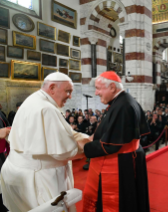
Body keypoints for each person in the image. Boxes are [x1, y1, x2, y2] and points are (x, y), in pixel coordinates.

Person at [0, 73, 89, 212]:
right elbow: (65, 152)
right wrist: (89, 145)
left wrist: (84, 137)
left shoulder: (35, 100)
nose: (70, 96)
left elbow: (63, 132)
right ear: (52, 88)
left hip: (19, 173)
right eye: (68, 91)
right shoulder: (46, 108)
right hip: (39, 179)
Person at [78, 71, 150, 211]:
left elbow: (111, 145)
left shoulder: (123, 106)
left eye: (98, 88)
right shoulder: (122, 101)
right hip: (127, 159)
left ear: (112, 87)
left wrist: (85, 147)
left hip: (121, 163)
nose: (96, 93)